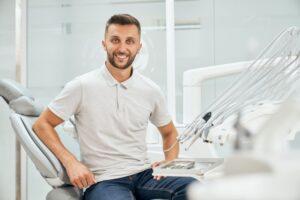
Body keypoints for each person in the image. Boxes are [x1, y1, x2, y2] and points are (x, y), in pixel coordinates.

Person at [33, 14, 196, 200]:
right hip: (104, 180)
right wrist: (71, 163)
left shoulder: (150, 90)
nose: (122, 48)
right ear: (104, 44)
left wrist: (169, 163)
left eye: (130, 41)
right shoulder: (81, 86)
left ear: (139, 47)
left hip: (144, 174)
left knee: (194, 189)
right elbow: (42, 124)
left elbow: (169, 133)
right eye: (115, 40)